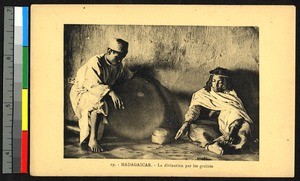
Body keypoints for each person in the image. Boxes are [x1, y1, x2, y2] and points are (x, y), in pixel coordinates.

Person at [69, 38, 132, 152]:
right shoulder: (96, 62)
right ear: (109, 51)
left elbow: (124, 78)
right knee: (99, 102)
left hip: (99, 92)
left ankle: (91, 135)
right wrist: (111, 92)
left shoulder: (118, 65)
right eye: (117, 58)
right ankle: (93, 139)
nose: (119, 61)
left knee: (107, 101)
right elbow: (93, 85)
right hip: (82, 92)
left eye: (122, 58)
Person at [175, 67, 253, 155]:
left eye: (219, 82)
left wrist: (233, 130)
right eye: (214, 81)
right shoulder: (202, 94)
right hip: (209, 125)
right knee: (199, 131)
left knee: (245, 129)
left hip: (228, 127)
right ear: (210, 80)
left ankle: (225, 145)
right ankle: (215, 145)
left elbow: (237, 112)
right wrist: (186, 123)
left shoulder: (231, 96)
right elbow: (194, 110)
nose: (215, 85)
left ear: (225, 83)